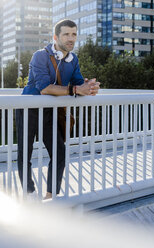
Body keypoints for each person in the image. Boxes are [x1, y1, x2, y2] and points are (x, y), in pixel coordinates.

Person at [16, 19, 100, 199]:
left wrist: (89, 86)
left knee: (59, 152)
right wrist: (77, 89)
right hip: (29, 108)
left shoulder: (73, 59)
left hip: (50, 111)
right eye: (66, 34)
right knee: (25, 153)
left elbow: (78, 82)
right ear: (56, 37)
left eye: (74, 34)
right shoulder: (40, 55)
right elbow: (44, 87)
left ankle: (50, 196)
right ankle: (29, 194)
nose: (71, 38)